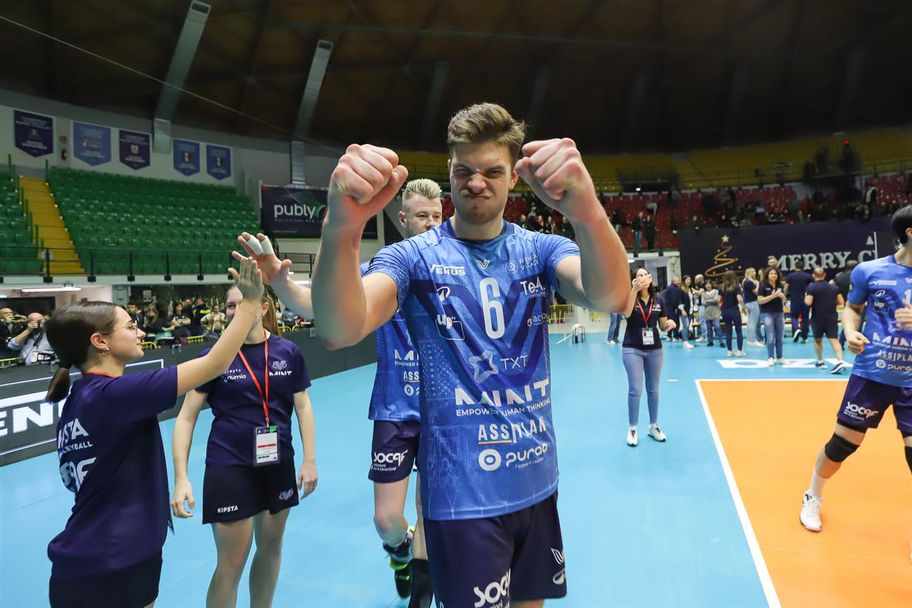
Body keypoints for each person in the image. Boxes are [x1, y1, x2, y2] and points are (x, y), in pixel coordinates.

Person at [310, 103, 628, 607]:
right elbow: (338, 327)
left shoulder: (542, 249)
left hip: (536, 483)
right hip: (462, 499)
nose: (476, 182)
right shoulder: (413, 256)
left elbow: (612, 297)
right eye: (464, 171)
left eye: (492, 172)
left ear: (514, 179)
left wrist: (586, 211)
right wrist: (342, 229)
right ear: (449, 172)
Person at [45, 259, 263, 608]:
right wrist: (250, 303)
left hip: (80, 565)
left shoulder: (78, 399)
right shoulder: (117, 394)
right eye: (131, 326)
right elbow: (216, 363)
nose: (141, 333)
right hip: (118, 563)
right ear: (100, 341)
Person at [171, 285, 317, 608]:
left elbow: (303, 406)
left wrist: (309, 459)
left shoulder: (288, 352)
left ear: (263, 308)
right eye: (230, 306)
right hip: (229, 467)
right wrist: (181, 477)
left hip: (278, 463)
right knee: (231, 563)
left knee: (271, 548)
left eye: (243, 302)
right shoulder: (214, 358)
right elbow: (186, 418)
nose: (235, 311)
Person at [799, 205, 912, 535]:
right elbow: (851, 308)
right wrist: (849, 331)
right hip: (872, 375)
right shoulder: (869, 271)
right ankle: (813, 495)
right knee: (842, 445)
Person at [358, 178, 443, 607]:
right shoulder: (379, 268)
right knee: (387, 518)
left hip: (442, 411)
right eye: (421, 216)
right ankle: (400, 552)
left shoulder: (453, 268)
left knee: (430, 511)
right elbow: (329, 299)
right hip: (393, 409)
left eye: (437, 216)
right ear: (403, 219)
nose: (431, 224)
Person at [622, 267, 677, 446]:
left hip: (655, 350)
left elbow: (662, 326)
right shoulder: (629, 296)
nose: (642, 277)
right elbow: (626, 314)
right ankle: (632, 428)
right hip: (632, 348)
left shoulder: (659, 299)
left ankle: (653, 426)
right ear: (634, 280)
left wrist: (669, 324)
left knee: (653, 389)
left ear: (650, 278)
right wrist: (633, 290)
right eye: (638, 276)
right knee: (635, 389)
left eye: (644, 275)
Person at [805, 267, 847, 374]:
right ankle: (840, 360)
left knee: (818, 339)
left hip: (817, 316)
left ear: (813, 275)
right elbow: (841, 302)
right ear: (824, 275)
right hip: (831, 316)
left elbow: (808, 302)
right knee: (834, 339)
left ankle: (820, 361)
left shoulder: (811, 287)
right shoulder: (834, 287)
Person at [757, 267, 787, 364]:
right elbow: (760, 301)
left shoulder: (780, 285)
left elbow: (784, 301)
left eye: (775, 273)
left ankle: (780, 357)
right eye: (771, 273)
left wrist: (783, 297)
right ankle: (770, 357)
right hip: (767, 313)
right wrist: (773, 296)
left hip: (779, 312)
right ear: (767, 275)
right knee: (770, 335)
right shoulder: (763, 285)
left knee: (780, 336)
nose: (773, 275)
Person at [785, 260, 813, 342]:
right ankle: (805, 337)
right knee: (805, 317)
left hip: (795, 299)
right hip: (806, 299)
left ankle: (796, 329)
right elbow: (812, 287)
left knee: (793, 316)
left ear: (795, 266)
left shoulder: (790, 276)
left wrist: (784, 297)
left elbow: (786, 288)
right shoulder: (808, 276)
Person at [719, 270, 746, 357]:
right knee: (739, 331)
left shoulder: (721, 287)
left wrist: (720, 309)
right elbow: (739, 299)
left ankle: (729, 351)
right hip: (734, 310)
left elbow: (718, 300)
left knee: (728, 331)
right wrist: (744, 307)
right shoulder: (736, 287)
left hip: (725, 311)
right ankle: (739, 351)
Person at [833, 259, 858, 349]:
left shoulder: (839, 277)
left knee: (848, 324)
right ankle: (857, 343)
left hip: (846, 304)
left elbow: (831, 286)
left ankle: (841, 342)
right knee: (858, 324)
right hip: (859, 303)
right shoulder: (859, 276)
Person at [741, 268, 763, 346]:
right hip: (752, 302)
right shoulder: (749, 282)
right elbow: (756, 292)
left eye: (755, 271)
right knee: (753, 322)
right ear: (749, 273)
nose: (755, 273)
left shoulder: (745, 281)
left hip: (748, 302)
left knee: (750, 322)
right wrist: (758, 284)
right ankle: (753, 340)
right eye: (753, 272)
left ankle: (750, 339)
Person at [702, 280, 723, 347]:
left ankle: (721, 342)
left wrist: (707, 301)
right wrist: (712, 300)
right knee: (709, 328)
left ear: (711, 285)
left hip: (715, 312)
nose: (708, 286)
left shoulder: (716, 291)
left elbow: (716, 300)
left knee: (717, 327)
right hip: (707, 313)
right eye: (706, 284)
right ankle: (710, 341)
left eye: (709, 284)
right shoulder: (703, 294)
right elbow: (703, 302)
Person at [661, 277, 683, 341]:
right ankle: (676, 337)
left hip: (667, 309)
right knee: (675, 322)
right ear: (674, 281)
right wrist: (676, 308)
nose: (679, 282)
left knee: (669, 322)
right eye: (678, 280)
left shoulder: (668, 288)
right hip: (673, 309)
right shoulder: (675, 289)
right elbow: (674, 299)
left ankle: (669, 336)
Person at [678, 275, 695, 349]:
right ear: (684, 281)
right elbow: (679, 300)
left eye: (690, 280)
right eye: (687, 280)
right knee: (685, 326)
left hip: (690, 311)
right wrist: (682, 310)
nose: (689, 281)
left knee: (687, 326)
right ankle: (685, 341)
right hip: (684, 311)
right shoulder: (681, 289)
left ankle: (687, 341)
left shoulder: (690, 289)